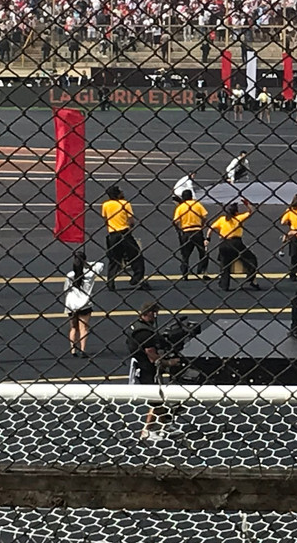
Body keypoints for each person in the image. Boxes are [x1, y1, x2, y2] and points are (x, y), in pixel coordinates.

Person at [126, 301, 178, 440]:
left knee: (158, 398)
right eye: (154, 314)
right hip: (147, 370)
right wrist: (168, 362)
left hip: (140, 366)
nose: (156, 317)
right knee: (156, 400)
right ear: (148, 313)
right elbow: (152, 356)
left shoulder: (136, 327)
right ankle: (147, 430)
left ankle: (164, 424)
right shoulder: (144, 333)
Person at [101, 185, 147, 291]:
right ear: (117, 194)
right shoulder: (125, 204)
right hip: (124, 233)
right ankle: (136, 277)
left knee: (114, 259)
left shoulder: (105, 205)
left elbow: (105, 219)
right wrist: (130, 229)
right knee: (136, 256)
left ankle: (110, 281)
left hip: (113, 234)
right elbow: (131, 220)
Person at [209, 199, 260, 290]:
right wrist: (247, 204)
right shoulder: (238, 218)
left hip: (224, 243)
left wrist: (207, 238)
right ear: (236, 212)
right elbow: (251, 212)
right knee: (251, 258)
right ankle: (250, 277)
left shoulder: (222, 220)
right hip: (236, 242)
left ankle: (224, 285)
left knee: (225, 265)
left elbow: (211, 228)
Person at [63, 250, 103, 358]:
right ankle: (83, 349)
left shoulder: (70, 275)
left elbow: (66, 289)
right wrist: (87, 263)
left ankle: (73, 349)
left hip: (72, 304)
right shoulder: (90, 274)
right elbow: (100, 265)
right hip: (85, 303)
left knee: (73, 327)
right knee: (83, 327)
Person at [172, 190, 209, 281]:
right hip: (197, 230)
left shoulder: (181, 207)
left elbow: (175, 221)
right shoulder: (197, 204)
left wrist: (179, 230)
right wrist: (202, 225)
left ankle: (185, 273)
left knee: (185, 254)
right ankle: (203, 271)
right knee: (202, 252)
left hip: (186, 231)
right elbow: (205, 216)